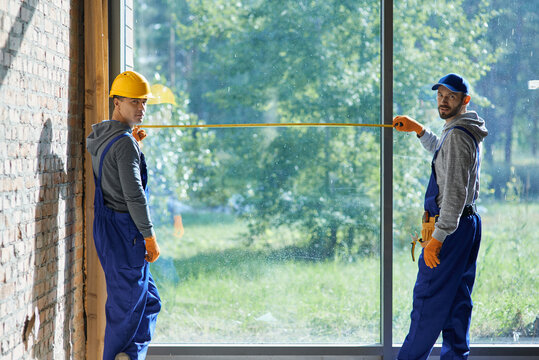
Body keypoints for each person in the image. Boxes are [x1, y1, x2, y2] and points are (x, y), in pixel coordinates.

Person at [393, 73, 488, 360]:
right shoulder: (460, 130)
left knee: (428, 299)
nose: (443, 102)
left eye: (451, 97)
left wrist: (437, 238)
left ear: (465, 100)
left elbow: (455, 193)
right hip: (467, 224)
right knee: (458, 301)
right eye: (440, 96)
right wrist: (419, 130)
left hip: (452, 228)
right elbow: (443, 153)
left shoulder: (458, 135)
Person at [86, 70, 162, 360]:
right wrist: (149, 236)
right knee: (126, 308)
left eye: (144, 102)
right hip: (127, 233)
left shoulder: (104, 136)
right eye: (134, 102)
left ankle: (130, 356)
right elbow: (133, 195)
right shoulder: (124, 143)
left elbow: (114, 175)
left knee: (149, 301)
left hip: (108, 229)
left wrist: (133, 143)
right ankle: (118, 356)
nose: (141, 108)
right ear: (116, 102)